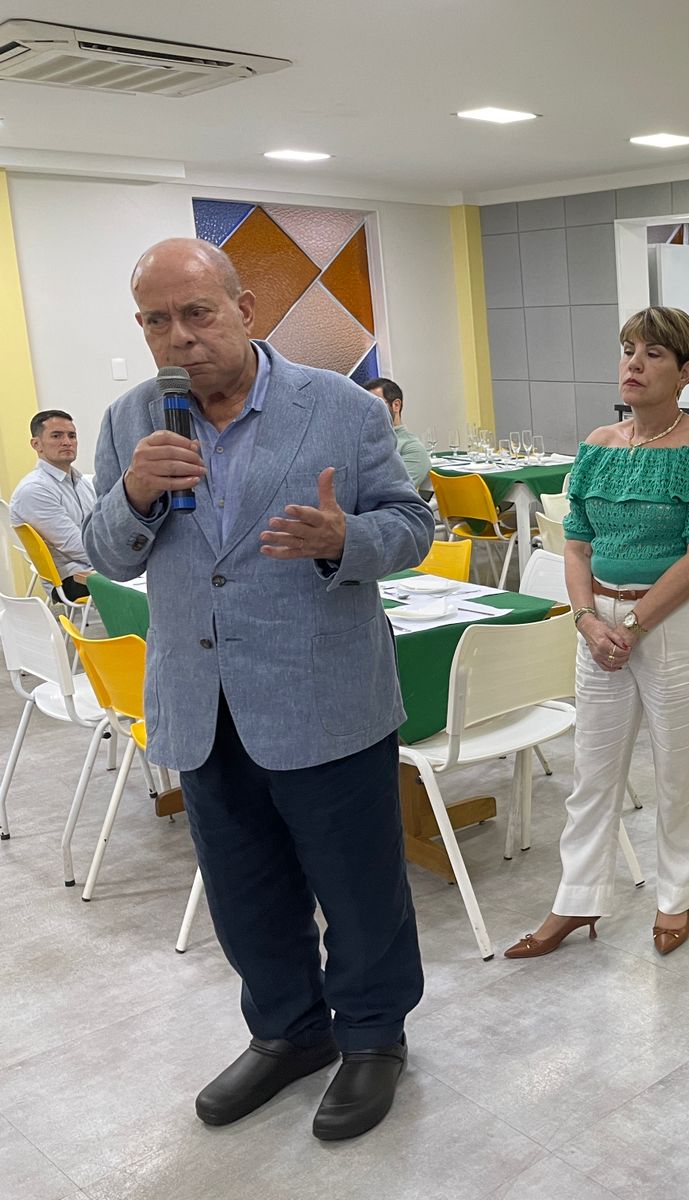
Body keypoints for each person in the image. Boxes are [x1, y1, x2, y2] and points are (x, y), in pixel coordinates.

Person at [84, 238, 433, 1142]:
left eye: (198, 314)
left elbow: (412, 525)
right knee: (243, 891)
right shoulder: (131, 419)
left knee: (359, 890)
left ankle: (372, 1036)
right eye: (158, 321)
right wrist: (132, 494)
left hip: (326, 694)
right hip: (200, 701)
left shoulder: (343, 407)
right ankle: (288, 1032)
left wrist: (345, 540)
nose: (180, 337)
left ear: (244, 310)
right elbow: (105, 553)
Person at [505, 306, 689, 961]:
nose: (633, 363)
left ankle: (674, 899)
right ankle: (576, 899)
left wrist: (633, 625)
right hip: (599, 626)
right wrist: (586, 620)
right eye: (629, 349)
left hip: (674, 628)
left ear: (686, 371)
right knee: (592, 774)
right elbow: (576, 543)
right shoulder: (599, 444)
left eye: (653, 353)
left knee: (678, 777)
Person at [9, 409, 98, 601]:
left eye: (72, 436)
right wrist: (123, 560)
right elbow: (74, 545)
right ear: (36, 444)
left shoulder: (83, 483)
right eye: (56, 436)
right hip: (71, 579)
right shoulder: (34, 490)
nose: (67, 442)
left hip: (94, 568)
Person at [366, 376, 429, 490]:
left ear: (396, 405)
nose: (368, 411)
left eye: (374, 405)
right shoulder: (363, 443)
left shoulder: (411, 448)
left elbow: (392, 491)